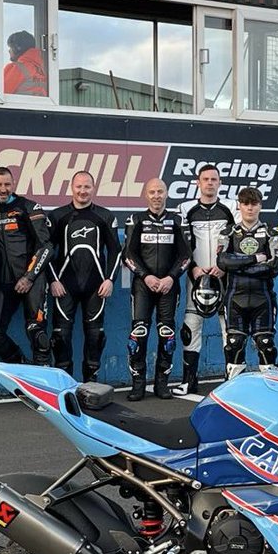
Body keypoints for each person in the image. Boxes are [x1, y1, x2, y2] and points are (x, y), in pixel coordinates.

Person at [0, 166, 53, 366]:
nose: (3, 189)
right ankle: (22, 366)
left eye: (7, 184)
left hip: (32, 279)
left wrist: (29, 277)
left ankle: (44, 375)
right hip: (4, 282)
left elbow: (46, 247)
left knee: (38, 333)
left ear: (13, 184)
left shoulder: (29, 207)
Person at [47, 171, 122, 382]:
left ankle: (91, 384)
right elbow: (46, 251)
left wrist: (110, 280)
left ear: (93, 188)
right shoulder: (57, 216)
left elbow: (116, 251)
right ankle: (65, 383)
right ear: (72, 187)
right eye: (79, 186)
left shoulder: (105, 216)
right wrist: (53, 280)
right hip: (64, 286)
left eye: (87, 187)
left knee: (96, 336)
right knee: (60, 336)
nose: (82, 191)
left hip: (96, 287)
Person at [123, 178, 190, 400]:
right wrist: (146, 276)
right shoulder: (136, 219)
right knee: (138, 334)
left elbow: (186, 255)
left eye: (160, 191)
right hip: (143, 285)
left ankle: (162, 383)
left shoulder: (177, 219)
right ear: (146, 194)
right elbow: (128, 255)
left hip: (169, 286)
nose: (156, 196)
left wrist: (171, 277)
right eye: (152, 192)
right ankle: (138, 383)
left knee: (167, 335)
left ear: (166, 193)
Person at [175, 164, 236, 395]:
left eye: (214, 179)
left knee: (229, 330)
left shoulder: (231, 208)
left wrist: (224, 266)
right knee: (190, 328)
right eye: (206, 179)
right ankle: (189, 381)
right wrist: (193, 268)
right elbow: (181, 245)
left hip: (224, 278)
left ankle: (230, 385)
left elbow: (240, 240)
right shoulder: (185, 208)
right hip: (196, 277)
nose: (210, 183)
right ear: (197, 183)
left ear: (219, 183)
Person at [218, 187, 278, 378]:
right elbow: (222, 262)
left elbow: (273, 267)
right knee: (234, 344)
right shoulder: (228, 232)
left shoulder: (272, 233)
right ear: (239, 206)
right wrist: (255, 259)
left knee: (266, 345)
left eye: (254, 204)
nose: (249, 208)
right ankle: (233, 396)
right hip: (234, 298)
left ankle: (271, 393)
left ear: (260, 206)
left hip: (262, 298)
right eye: (245, 204)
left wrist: (238, 265)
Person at [4, 30, 48, 96]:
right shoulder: (40, 70)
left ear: (18, 48)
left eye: (10, 47)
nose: (9, 51)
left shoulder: (18, 68)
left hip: (17, 105)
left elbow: (0, 93)